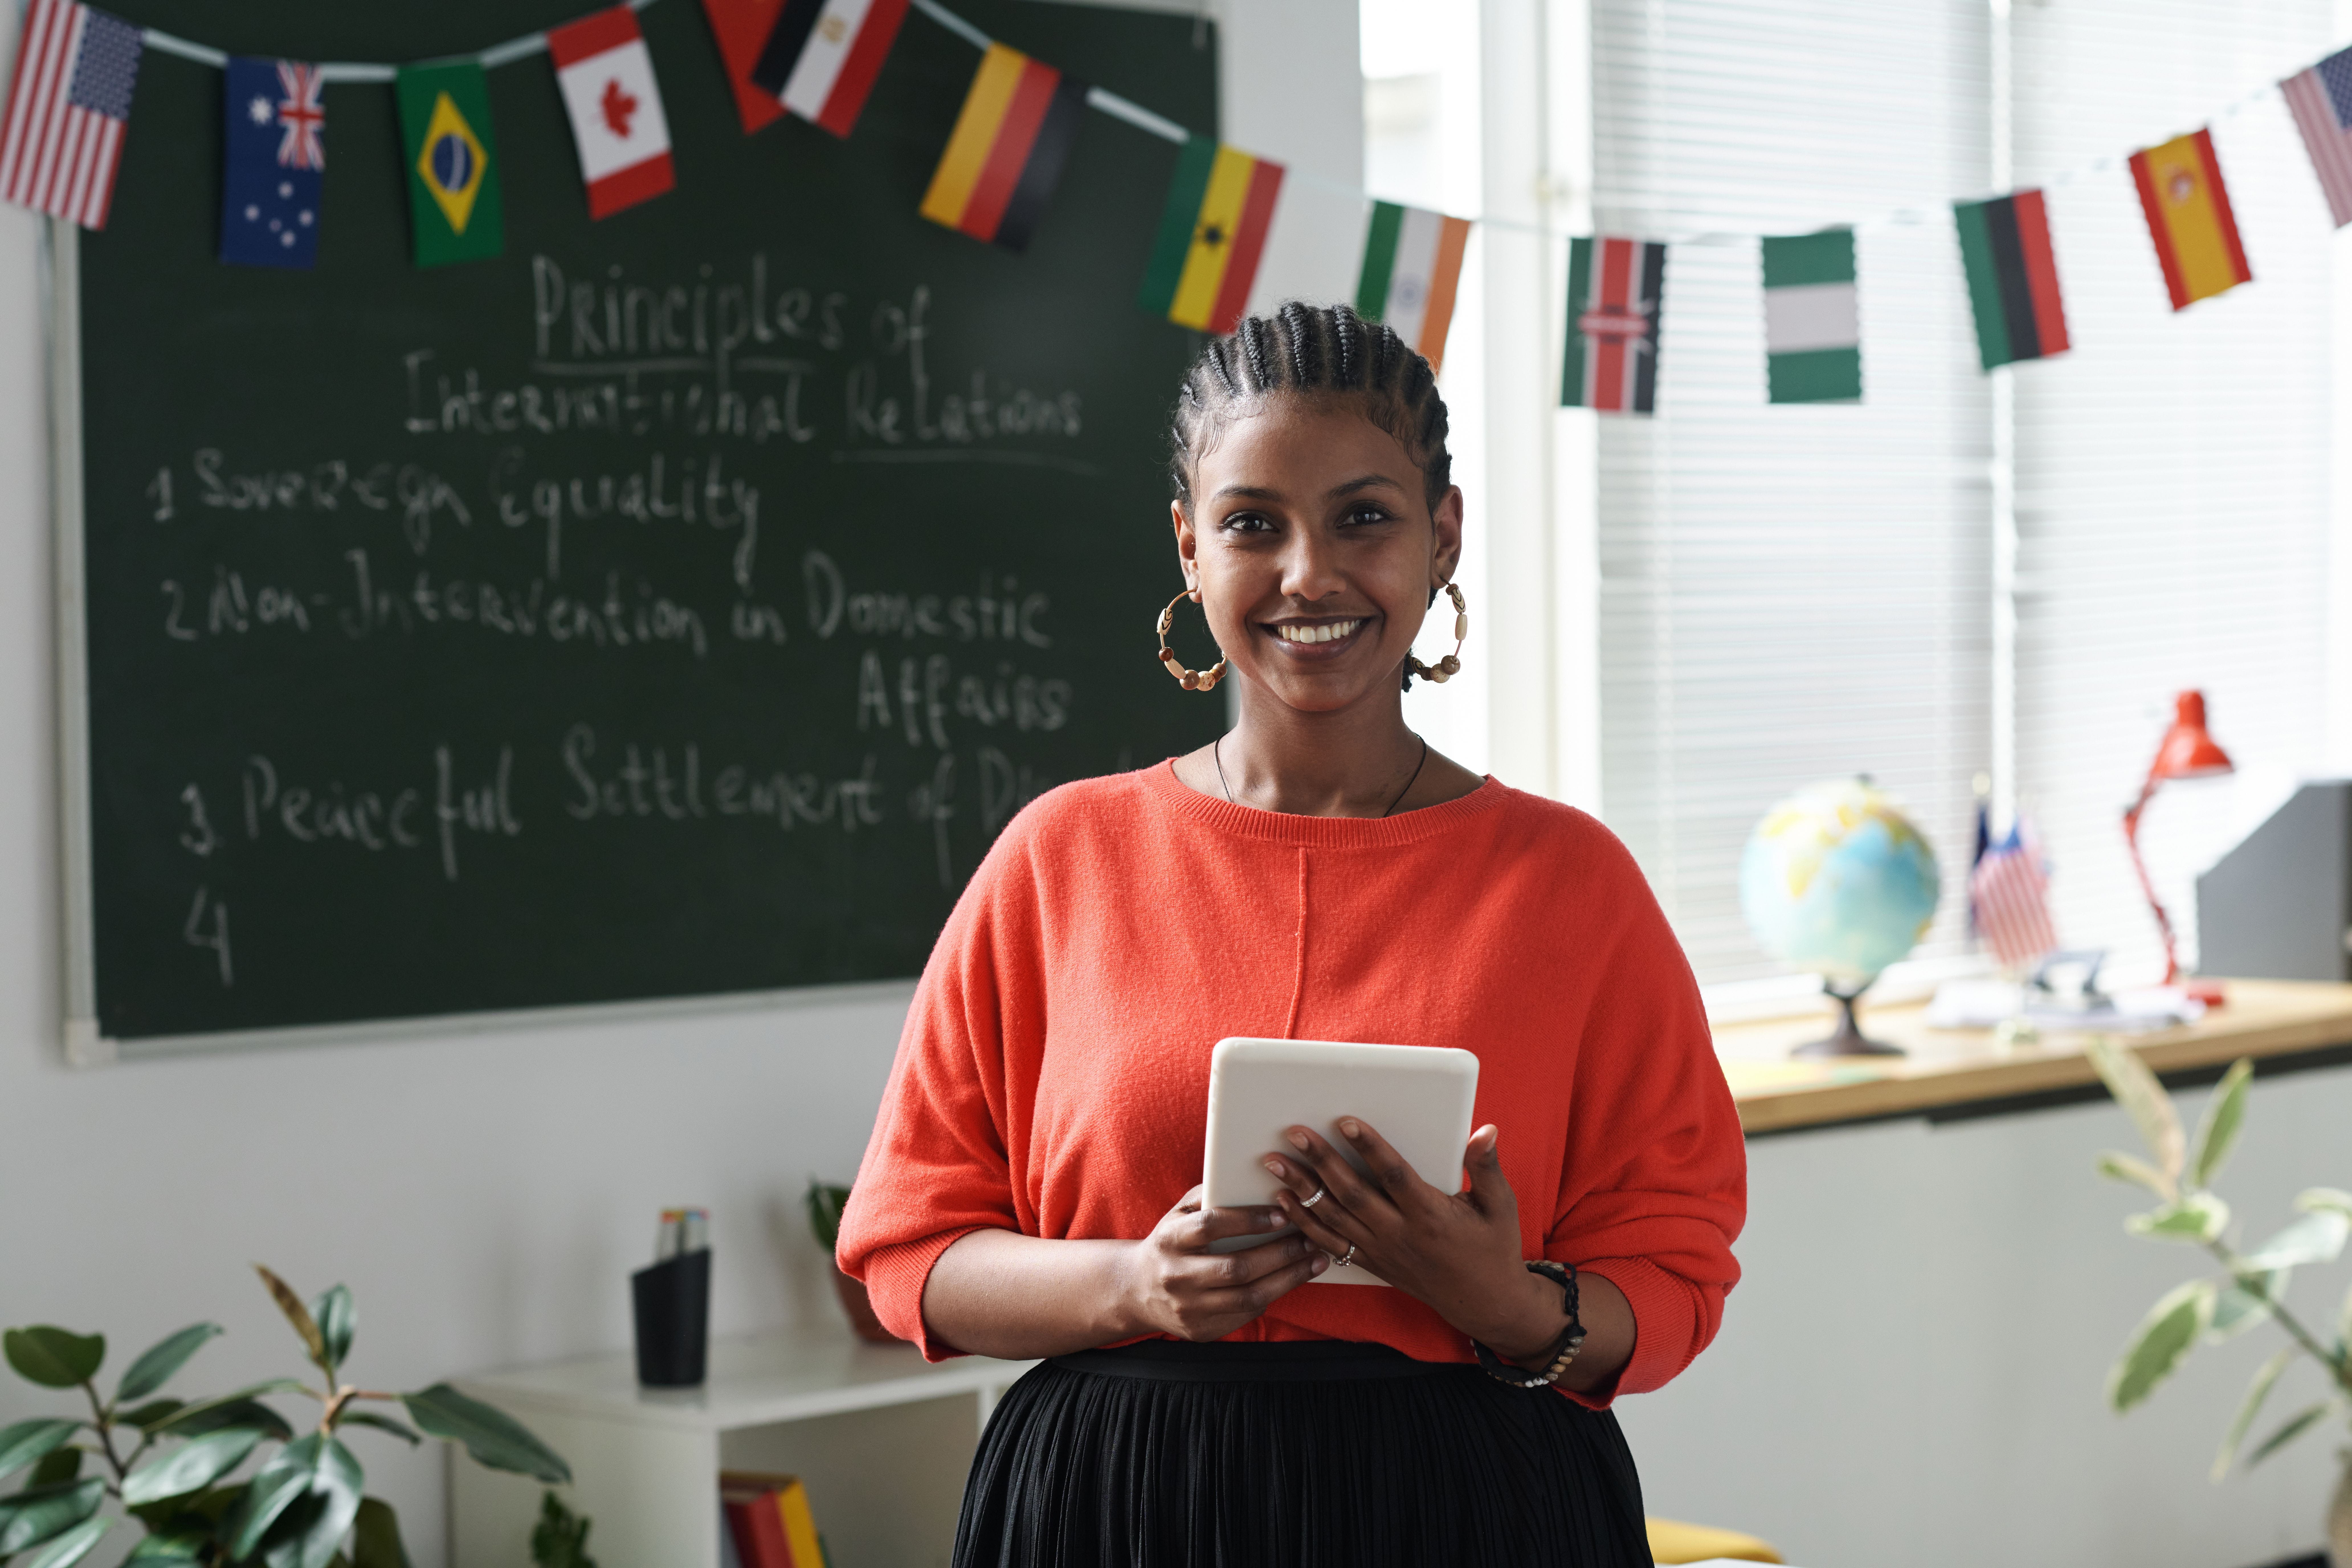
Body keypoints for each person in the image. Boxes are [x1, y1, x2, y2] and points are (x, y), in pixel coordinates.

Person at [837, 301, 1745, 1567]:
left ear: (1444, 536)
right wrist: (1133, 1284)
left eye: (1364, 516)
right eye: (1253, 522)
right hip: (1120, 1505)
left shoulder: (1572, 883)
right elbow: (908, 1251)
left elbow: (1673, 1275)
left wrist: (1503, 1302)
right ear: (1189, 550)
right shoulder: (1060, 856)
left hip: (1479, 1503)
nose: (1309, 572)